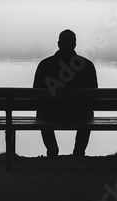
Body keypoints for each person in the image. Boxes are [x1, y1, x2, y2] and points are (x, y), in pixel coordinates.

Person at [33, 29, 98, 157]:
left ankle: (52, 150)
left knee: (41, 111)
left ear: (58, 44)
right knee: (89, 111)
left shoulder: (45, 65)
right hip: (80, 115)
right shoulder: (87, 65)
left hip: (50, 116)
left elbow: (36, 95)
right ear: (74, 45)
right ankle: (79, 151)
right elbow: (94, 97)